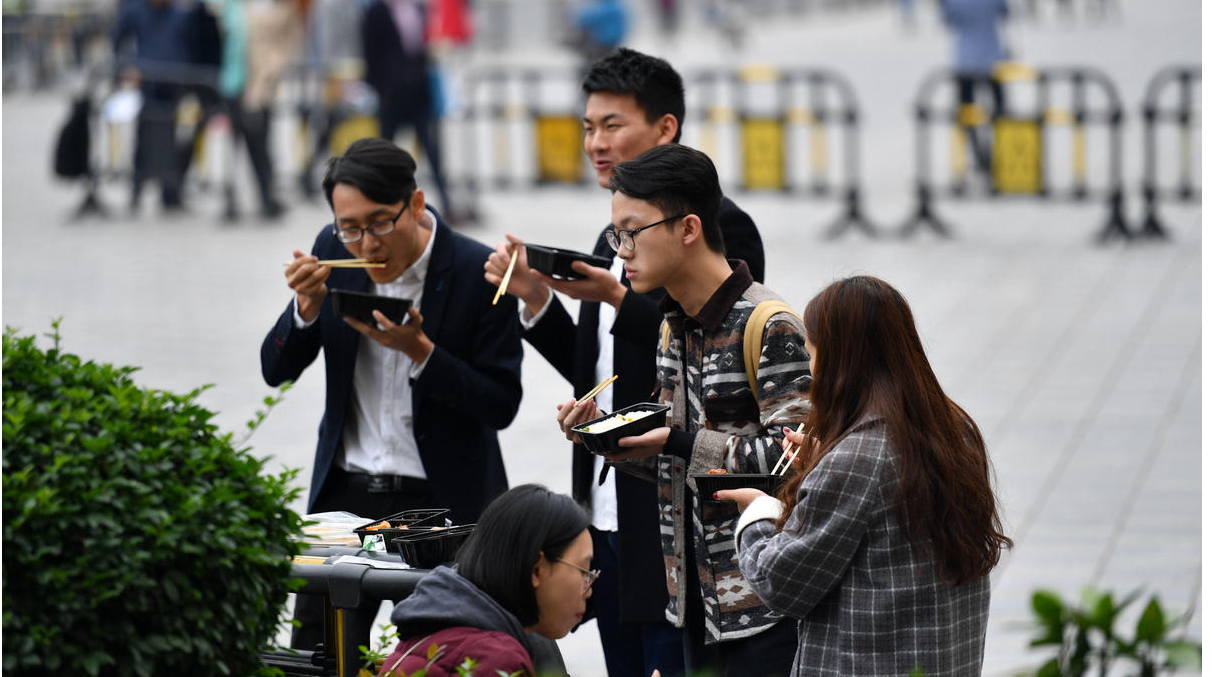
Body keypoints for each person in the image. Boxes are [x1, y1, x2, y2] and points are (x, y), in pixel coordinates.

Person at [484, 48, 765, 677]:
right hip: (606, 514)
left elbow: (713, 352)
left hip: (671, 515)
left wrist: (614, 293)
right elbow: (603, 367)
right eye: (588, 127)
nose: (596, 143)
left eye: (613, 125)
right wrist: (535, 300)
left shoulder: (721, 229)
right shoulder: (608, 239)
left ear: (665, 127)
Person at [260, 137, 524, 652]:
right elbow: (275, 371)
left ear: (417, 204)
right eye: (351, 227)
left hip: (442, 504)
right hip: (347, 494)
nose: (367, 244)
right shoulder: (332, 252)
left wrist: (422, 352)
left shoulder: (477, 271)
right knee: (321, 654)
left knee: (445, 655)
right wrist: (305, 310)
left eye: (381, 222)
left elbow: (502, 402)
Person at [557, 144, 811, 677]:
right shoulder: (673, 324)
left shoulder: (769, 324)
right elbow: (677, 463)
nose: (620, 250)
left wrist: (676, 440)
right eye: (614, 235)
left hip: (764, 609)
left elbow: (799, 460)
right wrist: (602, 438)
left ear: (688, 228)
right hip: (691, 605)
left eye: (631, 232)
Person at [719, 275, 1014, 676]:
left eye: (812, 353)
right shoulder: (954, 428)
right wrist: (823, 465)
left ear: (840, 359)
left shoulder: (856, 459)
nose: (812, 371)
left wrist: (760, 513)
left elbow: (780, 584)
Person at [378, 484, 591, 676]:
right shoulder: (493, 660)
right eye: (583, 571)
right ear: (537, 569)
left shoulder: (439, 625)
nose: (588, 590)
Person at [361, 0, 455, 217]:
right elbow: (370, 54)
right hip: (391, 96)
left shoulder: (417, 8)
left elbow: (422, 50)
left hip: (419, 95)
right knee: (384, 154)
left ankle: (447, 202)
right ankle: (380, 204)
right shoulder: (376, 12)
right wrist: (381, 90)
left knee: (433, 150)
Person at [112, 0, 191, 212]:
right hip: (147, 85)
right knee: (144, 139)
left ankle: (171, 193)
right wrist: (127, 67)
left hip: (174, 86)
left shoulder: (180, 13)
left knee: (172, 140)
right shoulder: (135, 10)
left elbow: (190, 45)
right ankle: (137, 190)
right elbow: (118, 42)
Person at [940, 0, 1009, 180]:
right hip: (993, 57)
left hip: (966, 60)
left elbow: (948, 20)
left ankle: (977, 154)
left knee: (966, 111)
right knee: (1000, 109)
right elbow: (1004, 13)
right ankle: (1001, 151)